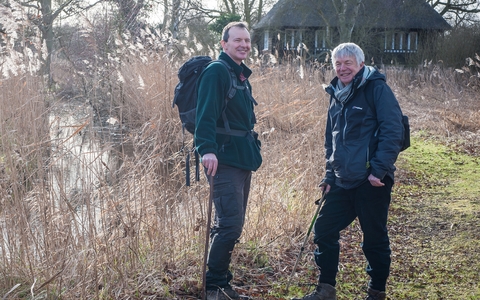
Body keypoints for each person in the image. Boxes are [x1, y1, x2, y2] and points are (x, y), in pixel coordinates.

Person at [294, 43, 404, 300]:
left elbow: (393, 131)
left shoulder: (376, 89)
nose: (342, 69)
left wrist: (378, 170)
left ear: (360, 66)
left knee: (374, 239)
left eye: (348, 64)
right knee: (324, 229)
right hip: (342, 181)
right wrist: (329, 175)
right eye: (338, 64)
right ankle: (325, 290)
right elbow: (330, 142)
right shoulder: (336, 94)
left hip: (371, 180)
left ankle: (377, 292)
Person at [195, 21, 262, 300]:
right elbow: (205, 115)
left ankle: (222, 284)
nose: (244, 45)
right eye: (237, 40)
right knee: (231, 225)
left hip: (241, 158)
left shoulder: (239, 74)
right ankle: (215, 288)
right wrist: (206, 149)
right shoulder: (217, 71)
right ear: (224, 44)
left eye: (246, 40)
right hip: (223, 160)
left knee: (229, 224)